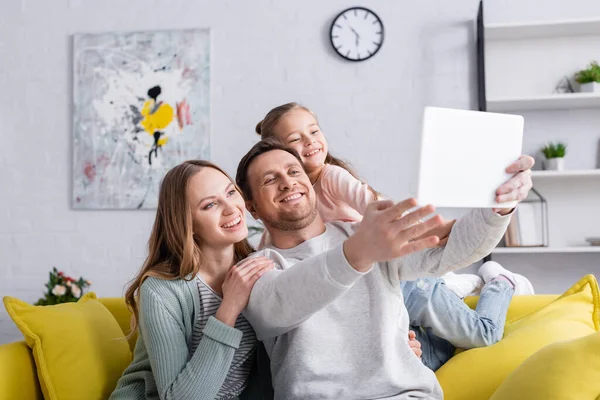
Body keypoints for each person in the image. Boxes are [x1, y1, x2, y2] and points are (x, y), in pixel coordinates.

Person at [253, 102, 535, 370]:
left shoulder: (331, 179)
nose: (310, 141)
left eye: (314, 131)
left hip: (398, 276)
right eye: (296, 139)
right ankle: (449, 287)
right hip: (372, 284)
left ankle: (497, 283)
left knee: (481, 334)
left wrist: (427, 229)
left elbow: (375, 206)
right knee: (423, 348)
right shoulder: (275, 257)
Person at [110, 160, 273, 400]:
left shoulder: (260, 267)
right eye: (210, 204)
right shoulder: (162, 290)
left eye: (230, 192)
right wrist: (228, 309)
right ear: (187, 223)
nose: (231, 208)